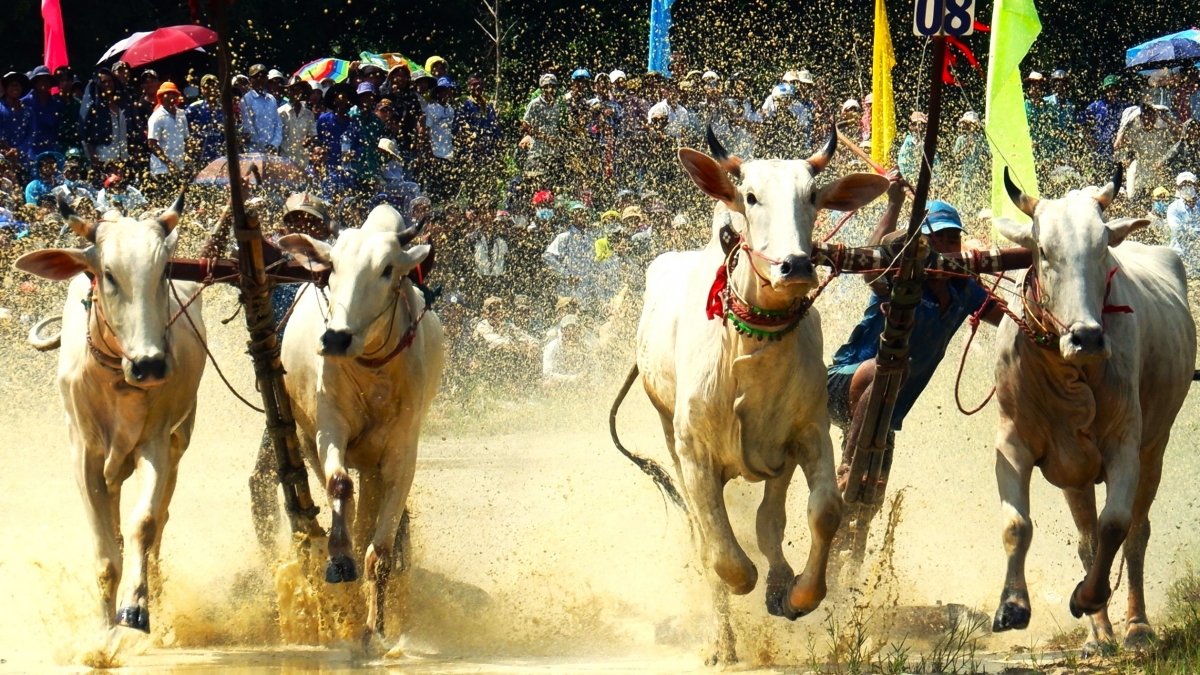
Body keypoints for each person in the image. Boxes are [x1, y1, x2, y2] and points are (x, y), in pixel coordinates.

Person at [827, 178, 1003, 567]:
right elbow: (869, 264)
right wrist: (891, 202)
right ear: (919, 244)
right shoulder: (902, 278)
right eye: (938, 241)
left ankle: (847, 570)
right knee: (888, 369)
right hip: (846, 383)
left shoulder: (966, 289)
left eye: (953, 240)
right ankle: (845, 467)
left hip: (886, 410)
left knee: (870, 496)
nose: (947, 248)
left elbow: (1007, 321)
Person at [1116, 102, 1181, 204]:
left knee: (1160, 201)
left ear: (1155, 116)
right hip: (1140, 171)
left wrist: (1168, 120)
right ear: (1141, 117)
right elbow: (1117, 145)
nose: (1149, 119)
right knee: (1133, 200)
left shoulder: (1162, 130)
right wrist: (1126, 125)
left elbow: (1180, 136)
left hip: (1158, 171)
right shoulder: (1135, 130)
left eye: (1152, 116)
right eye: (1146, 116)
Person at [1083, 75, 1132, 181]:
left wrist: (1126, 138)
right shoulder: (1096, 106)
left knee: (1118, 181)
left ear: (1118, 90)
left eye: (1114, 88)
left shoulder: (1125, 107)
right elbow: (1081, 122)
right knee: (1099, 179)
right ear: (1104, 90)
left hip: (1118, 150)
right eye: (1109, 89)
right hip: (1100, 150)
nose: (1112, 92)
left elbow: (1134, 121)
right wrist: (1088, 137)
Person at [147, 81, 190, 193]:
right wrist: (169, 163)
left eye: (174, 94)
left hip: (179, 167)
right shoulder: (156, 117)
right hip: (162, 169)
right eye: (168, 94)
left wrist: (189, 156)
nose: (171, 96)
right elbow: (152, 144)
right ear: (161, 96)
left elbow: (186, 139)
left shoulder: (181, 114)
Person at [521, 74, 563, 186]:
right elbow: (525, 126)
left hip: (553, 153)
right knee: (536, 184)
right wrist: (545, 138)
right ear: (542, 88)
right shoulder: (535, 104)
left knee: (552, 185)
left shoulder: (556, 105)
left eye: (553, 87)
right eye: (547, 86)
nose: (550, 90)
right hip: (537, 151)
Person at [1167, 171, 1200, 304]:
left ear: (1197, 186)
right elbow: (1178, 230)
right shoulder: (1173, 208)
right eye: (1183, 185)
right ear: (1177, 188)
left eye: (1189, 184)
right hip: (1179, 260)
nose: (1187, 188)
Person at [22, 66, 64, 161]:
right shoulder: (25, 102)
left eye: (46, 80)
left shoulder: (56, 103)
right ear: (35, 82)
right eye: (40, 80)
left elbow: (58, 127)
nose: (44, 83)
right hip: (30, 150)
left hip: (51, 149)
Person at [542, 314, 592, 388]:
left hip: (580, 381)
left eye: (574, 329)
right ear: (562, 330)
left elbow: (590, 369)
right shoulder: (551, 347)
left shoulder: (587, 347)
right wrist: (573, 378)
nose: (571, 333)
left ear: (579, 330)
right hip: (560, 381)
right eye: (568, 329)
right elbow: (548, 374)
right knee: (548, 384)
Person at [242, 64, 283, 154]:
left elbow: (278, 125)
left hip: (272, 151)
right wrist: (263, 147)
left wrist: (274, 144)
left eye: (262, 76)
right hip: (253, 151)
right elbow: (248, 128)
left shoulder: (271, 99)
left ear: (267, 78)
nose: (259, 79)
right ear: (250, 80)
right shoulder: (246, 100)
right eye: (256, 77)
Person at [186, 74, 226, 165]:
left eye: (213, 86)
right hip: (199, 158)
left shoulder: (224, 110)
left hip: (220, 158)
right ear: (202, 90)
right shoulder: (194, 108)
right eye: (207, 87)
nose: (211, 89)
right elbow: (183, 129)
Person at [0, 71, 33, 165]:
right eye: (12, 85)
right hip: (2, 157)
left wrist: (18, 150)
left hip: (23, 159)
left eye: (17, 85)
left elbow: (31, 135)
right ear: (6, 89)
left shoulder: (28, 111)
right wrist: (8, 150)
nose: (15, 88)